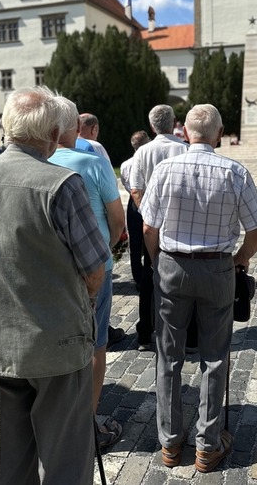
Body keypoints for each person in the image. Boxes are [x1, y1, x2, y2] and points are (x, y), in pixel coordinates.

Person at [0, 86, 110, 485]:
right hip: (54, 343)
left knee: (5, 459)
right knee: (64, 463)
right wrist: (81, 305)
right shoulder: (62, 183)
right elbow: (96, 269)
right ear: (53, 133)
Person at [140, 104, 257, 473]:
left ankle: (169, 443)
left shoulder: (165, 169)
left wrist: (155, 260)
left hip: (172, 265)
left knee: (169, 356)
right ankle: (207, 446)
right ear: (219, 133)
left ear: (185, 132)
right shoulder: (234, 172)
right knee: (215, 357)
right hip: (216, 268)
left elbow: (148, 228)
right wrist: (239, 261)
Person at [49, 96, 126, 449]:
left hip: (52, 269)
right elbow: (117, 218)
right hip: (94, 266)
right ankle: (88, 421)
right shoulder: (92, 162)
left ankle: (56, 417)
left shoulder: (40, 160)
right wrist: (105, 252)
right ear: (77, 128)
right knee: (95, 345)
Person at [128, 104, 198, 352]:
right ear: (174, 122)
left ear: (151, 126)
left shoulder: (143, 152)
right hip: (180, 224)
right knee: (187, 279)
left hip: (152, 226)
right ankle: (189, 337)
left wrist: (149, 215)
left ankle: (146, 333)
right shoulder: (185, 148)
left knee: (149, 277)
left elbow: (135, 189)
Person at [75, 111, 124, 344]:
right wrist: (111, 242)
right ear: (93, 129)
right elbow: (111, 199)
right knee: (98, 317)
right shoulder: (95, 149)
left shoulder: (48, 152)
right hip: (95, 241)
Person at [119, 130, 154, 349]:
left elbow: (127, 185)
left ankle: (138, 277)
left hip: (134, 203)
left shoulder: (125, 164)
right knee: (147, 241)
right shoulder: (147, 159)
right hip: (147, 200)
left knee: (135, 244)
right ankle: (148, 273)